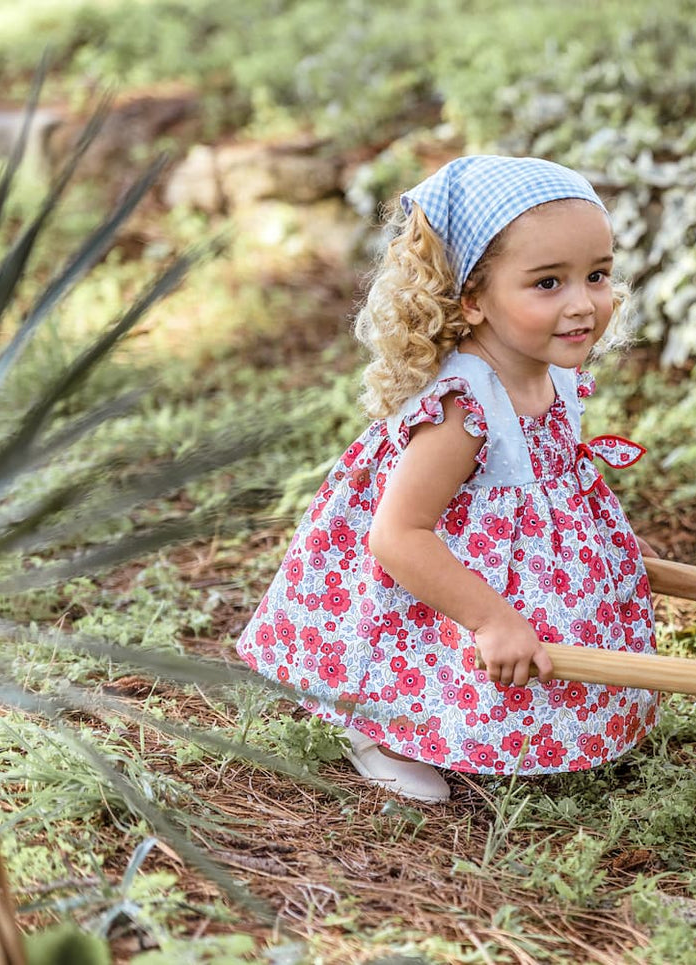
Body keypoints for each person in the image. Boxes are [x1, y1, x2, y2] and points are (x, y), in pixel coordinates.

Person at [235, 156, 659, 802]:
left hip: (503, 551)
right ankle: (383, 724)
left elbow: (549, 481)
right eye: (548, 283)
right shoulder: (465, 407)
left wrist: (603, 550)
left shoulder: (554, 370)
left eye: (596, 275)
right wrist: (491, 619)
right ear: (472, 298)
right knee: (437, 638)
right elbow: (398, 536)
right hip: (431, 566)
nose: (583, 304)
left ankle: (496, 724)